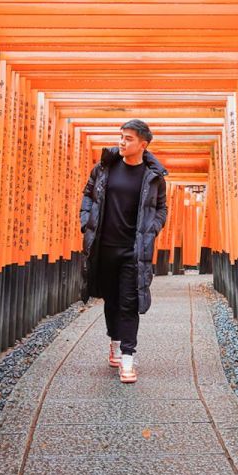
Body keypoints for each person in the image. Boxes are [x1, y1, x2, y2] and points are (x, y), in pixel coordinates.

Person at [79, 119, 168, 383]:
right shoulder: (105, 167)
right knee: (112, 299)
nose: (122, 142)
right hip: (105, 247)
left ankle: (128, 357)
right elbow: (88, 194)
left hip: (133, 249)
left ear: (143, 144)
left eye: (128, 138)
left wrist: (152, 228)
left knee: (129, 302)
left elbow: (162, 208)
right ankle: (115, 341)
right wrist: (86, 221)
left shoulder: (152, 177)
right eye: (121, 136)